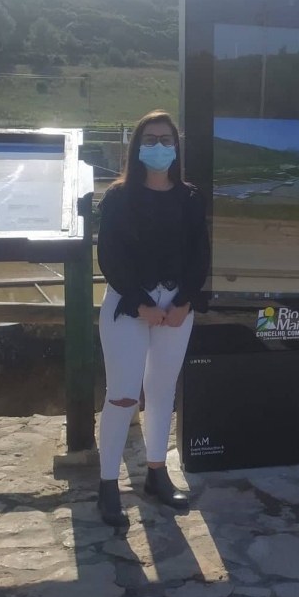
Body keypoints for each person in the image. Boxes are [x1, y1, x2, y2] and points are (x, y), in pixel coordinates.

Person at [95, 111, 210, 529]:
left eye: (166, 139)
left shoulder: (190, 198)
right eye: (150, 139)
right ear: (137, 146)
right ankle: (108, 484)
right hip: (129, 305)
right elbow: (110, 255)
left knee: (161, 391)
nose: (159, 147)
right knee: (123, 395)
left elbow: (200, 253)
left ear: (176, 147)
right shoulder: (117, 198)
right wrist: (140, 302)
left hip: (176, 307)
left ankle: (157, 474)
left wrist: (185, 301)